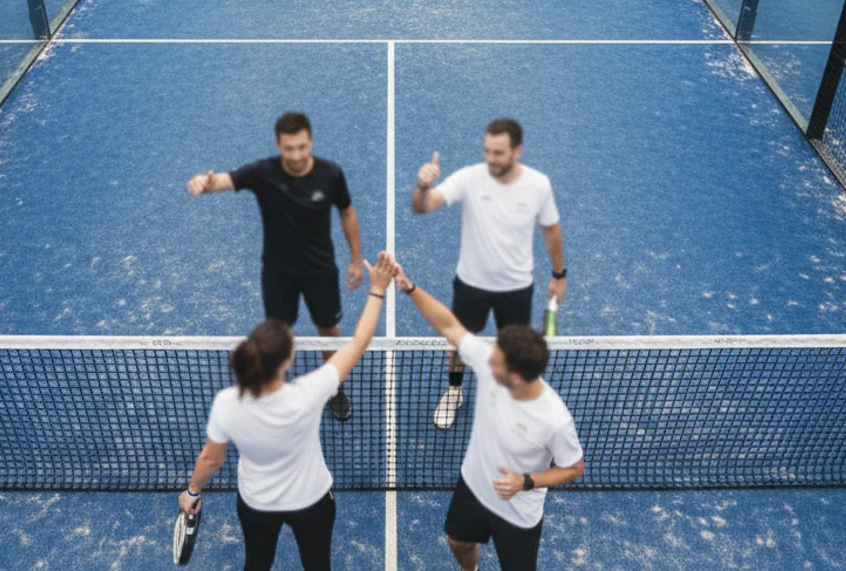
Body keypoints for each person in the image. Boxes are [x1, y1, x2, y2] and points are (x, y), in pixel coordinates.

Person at [178, 253, 397, 571]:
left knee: (256, 563)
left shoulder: (227, 403)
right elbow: (359, 343)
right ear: (286, 362)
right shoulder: (309, 393)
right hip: (311, 501)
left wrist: (191, 492)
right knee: (318, 565)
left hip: (257, 503)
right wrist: (377, 289)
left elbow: (211, 459)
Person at [394, 262, 584, 571]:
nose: (486, 363)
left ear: (517, 377)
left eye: (496, 363)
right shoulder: (488, 363)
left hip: (518, 508)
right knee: (458, 542)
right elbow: (450, 326)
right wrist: (408, 286)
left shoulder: (554, 419)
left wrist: (526, 481)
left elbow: (574, 466)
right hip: (474, 484)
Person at [187, 112, 364, 420]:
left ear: (311, 142)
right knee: (278, 332)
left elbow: (347, 213)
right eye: (288, 148)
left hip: (320, 269)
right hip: (278, 272)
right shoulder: (263, 173)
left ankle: (334, 387)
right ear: (277, 144)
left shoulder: (331, 174)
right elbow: (222, 182)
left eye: (301, 147)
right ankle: (276, 388)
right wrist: (202, 184)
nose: (296, 156)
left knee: (329, 329)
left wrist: (355, 259)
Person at [412, 118, 567, 429]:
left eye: (498, 153)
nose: (491, 159)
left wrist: (559, 274)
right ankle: (455, 390)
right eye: (487, 151)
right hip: (472, 284)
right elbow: (422, 207)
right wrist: (422, 186)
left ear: (517, 151)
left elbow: (551, 230)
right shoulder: (470, 179)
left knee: (512, 348)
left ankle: (507, 396)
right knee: (458, 343)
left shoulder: (538, 185)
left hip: (517, 286)